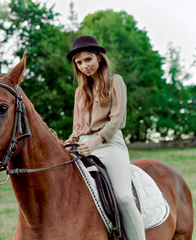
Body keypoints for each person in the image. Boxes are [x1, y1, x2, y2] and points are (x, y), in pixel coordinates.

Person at [64, 35, 146, 240]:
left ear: (99, 58)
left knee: (124, 197)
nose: (84, 66)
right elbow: (77, 127)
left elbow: (117, 119)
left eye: (88, 59)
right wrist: (69, 143)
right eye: (79, 62)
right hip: (82, 146)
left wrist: (95, 142)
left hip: (109, 144)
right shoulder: (78, 92)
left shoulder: (114, 82)